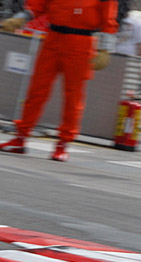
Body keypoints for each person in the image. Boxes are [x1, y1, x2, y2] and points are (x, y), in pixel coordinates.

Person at [0, 0, 118, 161]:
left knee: (73, 96)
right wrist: (21, 18)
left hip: (80, 43)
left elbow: (108, 20)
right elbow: (38, 4)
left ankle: (63, 143)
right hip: (53, 38)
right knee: (37, 89)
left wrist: (105, 49)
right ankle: (20, 138)